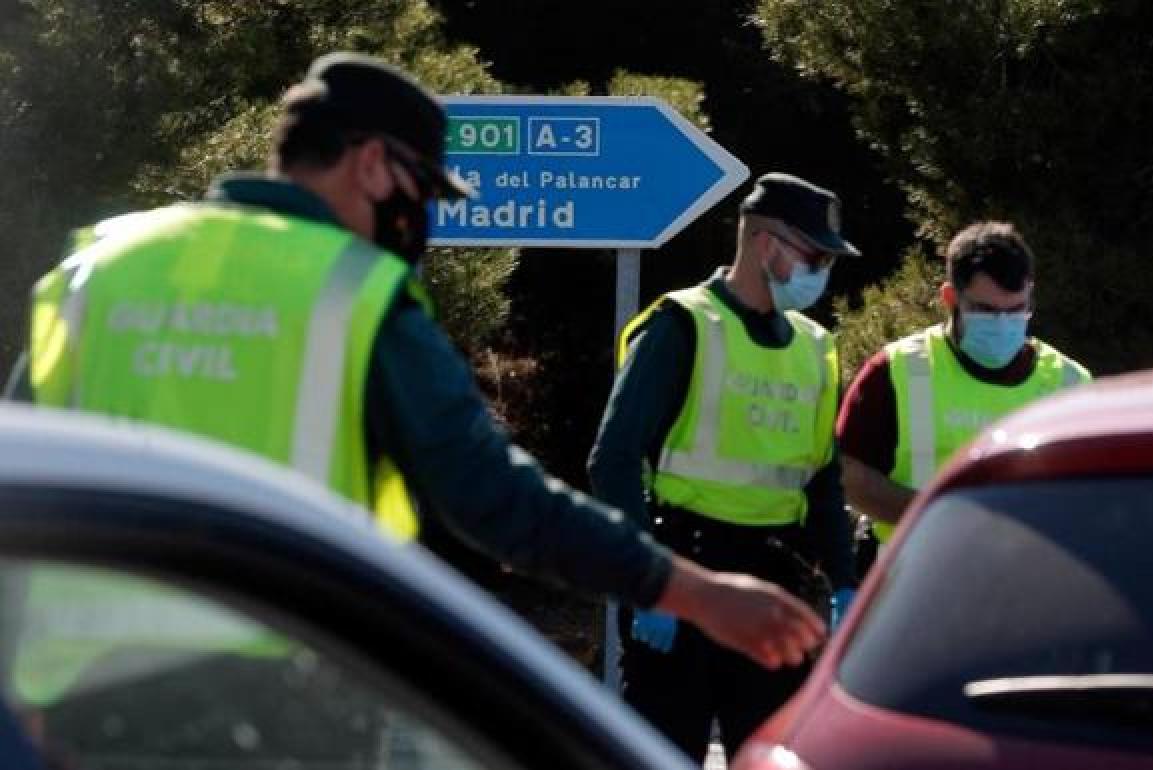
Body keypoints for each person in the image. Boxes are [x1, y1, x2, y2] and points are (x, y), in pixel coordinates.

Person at [7, 52, 824, 671]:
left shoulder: (101, 266)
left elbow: (22, 479)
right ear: (370, 164)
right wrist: (693, 590)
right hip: (281, 695)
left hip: (72, 692)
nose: (424, 217)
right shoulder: (350, 292)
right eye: (423, 190)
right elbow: (496, 499)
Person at [587, 172, 859, 762]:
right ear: (765, 244)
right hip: (684, 580)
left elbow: (823, 478)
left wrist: (843, 582)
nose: (823, 272)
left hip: (775, 589)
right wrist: (648, 582)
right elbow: (613, 458)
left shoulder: (816, 348)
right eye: (814, 256)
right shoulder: (682, 326)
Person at [837, 221, 1091, 545]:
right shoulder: (898, 369)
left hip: (1029, 575)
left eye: (1016, 310)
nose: (1002, 324)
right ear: (950, 297)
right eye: (985, 310)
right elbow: (849, 475)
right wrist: (940, 516)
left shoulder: (1071, 384)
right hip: (917, 570)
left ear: (1030, 295)